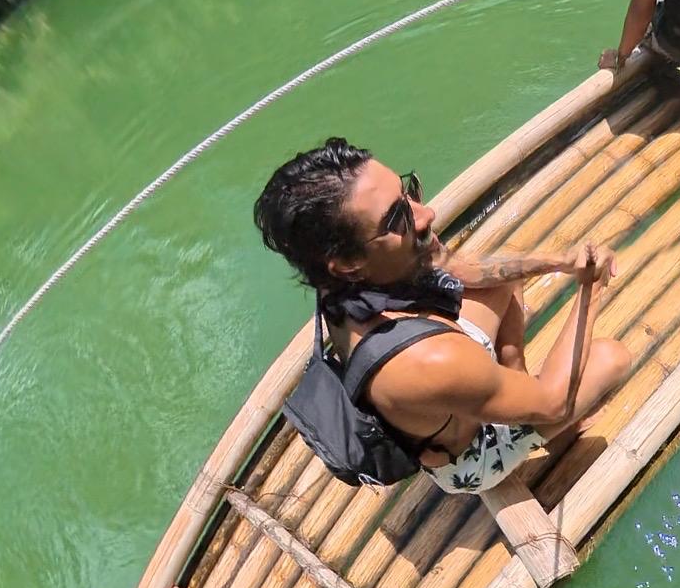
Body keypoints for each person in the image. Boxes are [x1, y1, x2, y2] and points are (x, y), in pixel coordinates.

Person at [252, 138, 631, 499]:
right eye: (398, 217)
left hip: (439, 379)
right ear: (348, 263)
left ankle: (514, 384)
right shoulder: (430, 360)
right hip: (470, 454)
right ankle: (531, 420)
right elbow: (554, 404)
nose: (425, 213)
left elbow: (464, 270)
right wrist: (590, 286)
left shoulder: (347, 278)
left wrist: (558, 262)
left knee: (505, 282)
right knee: (611, 358)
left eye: (407, 192)